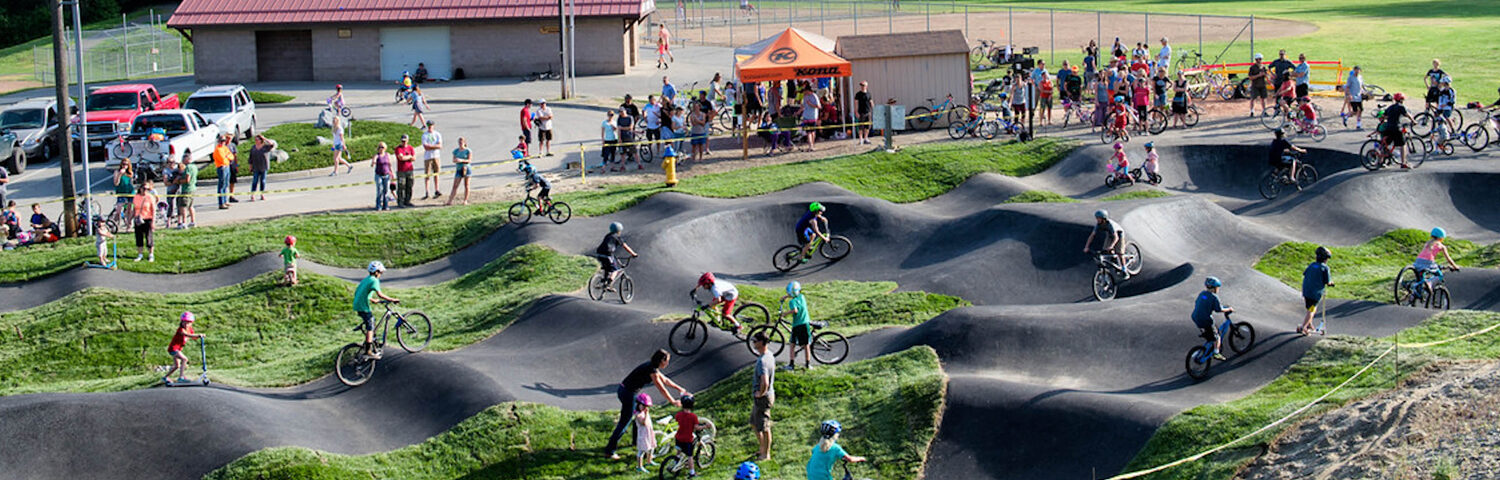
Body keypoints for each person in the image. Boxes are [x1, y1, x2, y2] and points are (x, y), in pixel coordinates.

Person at [605, 349, 689, 459]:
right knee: (624, 423)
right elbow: (661, 388)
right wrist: (672, 401)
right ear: (661, 360)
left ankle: (636, 441)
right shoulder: (651, 370)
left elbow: (665, 380)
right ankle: (610, 451)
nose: (668, 363)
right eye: (667, 361)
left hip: (625, 390)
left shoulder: (652, 367)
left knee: (639, 414)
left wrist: (680, 389)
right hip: (628, 394)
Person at [353, 261, 399, 359]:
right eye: (380, 272)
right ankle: (368, 351)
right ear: (376, 272)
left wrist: (372, 300)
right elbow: (380, 294)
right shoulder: (374, 280)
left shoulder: (366, 279)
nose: (381, 274)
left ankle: (370, 341)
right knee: (370, 326)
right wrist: (392, 299)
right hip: (363, 307)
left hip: (357, 305)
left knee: (371, 321)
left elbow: (359, 292)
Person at [1192, 277, 1233, 361]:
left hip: (1196, 317)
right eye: (1217, 288)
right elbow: (1219, 309)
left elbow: (1198, 302)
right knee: (1217, 337)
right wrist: (1229, 309)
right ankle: (1216, 353)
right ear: (1214, 288)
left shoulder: (1202, 294)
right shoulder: (1214, 297)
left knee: (1212, 330)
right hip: (1206, 320)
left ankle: (1209, 337)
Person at [750, 331, 776, 461]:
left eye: (755, 341)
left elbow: (765, 381)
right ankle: (762, 448)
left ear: (761, 343)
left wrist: (760, 393)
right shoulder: (769, 355)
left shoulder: (762, 361)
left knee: (765, 427)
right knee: (754, 423)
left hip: (763, 398)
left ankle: (766, 454)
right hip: (765, 396)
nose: (753, 343)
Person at [1297, 246, 1333, 335]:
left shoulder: (1312, 265)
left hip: (1306, 291)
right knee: (1312, 310)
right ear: (1325, 259)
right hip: (1315, 293)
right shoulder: (1325, 268)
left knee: (1309, 308)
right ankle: (1303, 327)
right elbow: (1327, 281)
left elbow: (1305, 273)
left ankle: (1309, 325)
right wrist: (1331, 283)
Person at [1412, 227, 1460, 293]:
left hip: (1418, 261)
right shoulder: (1441, 246)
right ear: (1441, 238)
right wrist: (1455, 266)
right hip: (1428, 262)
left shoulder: (1427, 243)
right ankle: (1429, 282)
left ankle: (1413, 295)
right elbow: (1448, 259)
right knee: (1439, 275)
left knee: (1420, 279)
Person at [162, 312, 204, 384]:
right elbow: (187, 335)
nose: (186, 324)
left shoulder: (189, 329)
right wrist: (198, 335)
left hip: (178, 349)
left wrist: (200, 337)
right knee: (184, 359)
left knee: (177, 366)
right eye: (184, 322)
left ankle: (165, 377)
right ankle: (181, 377)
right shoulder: (181, 330)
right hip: (173, 349)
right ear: (181, 322)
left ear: (191, 323)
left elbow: (193, 337)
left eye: (188, 323)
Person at [779, 281, 813, 371]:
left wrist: (785, 314)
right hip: (805, 322)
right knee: (806, 345)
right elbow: (795, 296)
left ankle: (791, 364)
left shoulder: (792, 302)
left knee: (792, 344)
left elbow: (795, 310)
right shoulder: (802, 297)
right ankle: (808, 364)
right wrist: (786, 296)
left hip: (797, 324)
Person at [672, 394, 708, 477]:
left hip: (678, 437)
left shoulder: (678, 414)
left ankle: (675, 462)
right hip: (687, 439)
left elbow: (677, 420)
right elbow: (697, 427)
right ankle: (692, 472)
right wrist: (705, 426)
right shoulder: (693, 416)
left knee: (679, 451)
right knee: (690, 456)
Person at [1083, 209, 1128, 275]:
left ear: (1103, 218)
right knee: (1105, 250)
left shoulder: (1110, 225)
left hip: (1119, 235)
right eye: (1096, 218)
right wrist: (1086, 247)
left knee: (1120, 253)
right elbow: (1092, 236)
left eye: (1098, 218)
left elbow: (1116, 238)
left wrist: (1111, 246)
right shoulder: (1098, 225)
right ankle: (1114, 259)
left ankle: (1124, 269)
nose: (1097, 220)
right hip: (1110, 235)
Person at [1378, 93, 1415, 168]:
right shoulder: (1401, 107)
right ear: (1401, 100)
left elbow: (1384, 116)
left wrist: (1388, 118)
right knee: (1402, 144)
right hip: (1397, 128)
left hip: (1388, 128)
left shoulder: (1390, 107)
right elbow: (1407, 114)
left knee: (1386, 144)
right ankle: (1403, 163)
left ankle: (1381, 162)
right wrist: (1413, 121)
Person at [596, 221, 638, 289]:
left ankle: (604, 281)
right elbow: (625, 246)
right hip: (607, 254)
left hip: (599, 254)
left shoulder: (608, 235)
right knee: (615, 270)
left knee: (607, 268)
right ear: (619, 230)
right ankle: (608, 285)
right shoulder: (617, 237)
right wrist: (633, 254)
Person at [132, 179, 157, 262]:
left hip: (148, 219)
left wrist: (153, 222)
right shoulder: (136, 197)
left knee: (149, 237)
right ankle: (140, 254)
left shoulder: (150, 197)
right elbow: (134, 208)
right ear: (141, 188)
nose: (146, 190)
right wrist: (130, 219)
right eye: (145, 188)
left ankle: (151, 254)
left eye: (148, 189)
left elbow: (153, 210)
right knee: (139, 237)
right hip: (138, 219)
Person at [633, 392, 657, 473]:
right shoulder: (638, 414)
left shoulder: (643, 412)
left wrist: (646, 413)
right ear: (638, 404)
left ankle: (649, 460)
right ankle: (639, 466)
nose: (644, 408)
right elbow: (644, 423)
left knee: (651, 447)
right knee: (642, 451)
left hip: (649, 433)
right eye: (643, 406)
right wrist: (646, 414)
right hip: (643, 436)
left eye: (646, 406)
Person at [248, 134, 276, 201]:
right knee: (255, 181)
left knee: (263, 181)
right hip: (256, 167)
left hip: (264, 166)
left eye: (257, 140)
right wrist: (250, 166)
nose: (256, 141)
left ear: (261, 140)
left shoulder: (265, 147)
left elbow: (272, 145)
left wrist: (265, 138)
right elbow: (250, 157)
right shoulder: (253, 148)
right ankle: (252, 195)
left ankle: (262, 194)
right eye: (255, 140)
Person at [444, 137, 471, 205]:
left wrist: (461, 160)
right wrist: (456, 160)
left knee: (466, 185)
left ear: (464, 143)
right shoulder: (456, 151)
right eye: (459, 142)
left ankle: (465, 200)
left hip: (466, 168)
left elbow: (469, 160)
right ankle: (450, 201)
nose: (460, 144)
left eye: (461, 142)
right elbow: (453, 160)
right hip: (459, 169)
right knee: (455, 185)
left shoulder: (468, 151)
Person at [420, 120, 443, 199]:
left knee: (436, 173)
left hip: (436, 156)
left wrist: (431, 146)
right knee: (427, 174)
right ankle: (427, 191)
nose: (430, 127)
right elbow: (426, 147)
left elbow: (440, 146)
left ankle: (437, 189)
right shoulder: (425, 135)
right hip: (428, 157)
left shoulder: (437, 134)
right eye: (429, 125)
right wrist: (434, 146)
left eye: (431, 125)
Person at [1433, 76, 1457, 148]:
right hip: (1442, 106)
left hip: (1448, 107)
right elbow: (1440, 99)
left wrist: (1446, 104)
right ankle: (1441, 128)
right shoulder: (1442, 90)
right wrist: (1439, 107)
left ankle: (1453, 130)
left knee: (1446, 116)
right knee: (1436, 115)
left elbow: (1452, 101)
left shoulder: (1451, 91)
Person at [212, 134, 234, 209]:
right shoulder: (218, 149)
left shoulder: (225, 148)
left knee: (226, 184)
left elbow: (231, 156)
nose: (222, 142)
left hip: (227, 166)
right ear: (218, 141)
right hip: (222, 167)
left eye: (224, 141)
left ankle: (225, 201)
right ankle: (221, 203)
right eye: (221, 141)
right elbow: (222, 159)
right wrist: (227, 157)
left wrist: (227, 157)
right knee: (221, 185)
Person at [394, 135, 417, 207]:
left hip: (409, 170)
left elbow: (414, 158)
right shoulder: (398, 148)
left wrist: (408, 157)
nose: (403, 142)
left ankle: (407, 201)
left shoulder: (410, 148)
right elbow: (401, 158)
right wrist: (409, 156)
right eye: (402, 141)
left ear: (408, 140)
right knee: (401, 186)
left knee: (409, 185)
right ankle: (400, 202)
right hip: (401, 171)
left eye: (405, 141)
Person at [176, 157, 198, 228]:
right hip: (193, 188)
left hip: (187, 189)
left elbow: (187, 179)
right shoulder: (194, 166)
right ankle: (192, 221)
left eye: (183, 159)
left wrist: (179, 181)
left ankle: (184, 223)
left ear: (187, 159)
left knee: (183, 206)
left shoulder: (188, 167)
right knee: (190, 206)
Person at [370, 142, 393, 211]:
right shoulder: (377, 155)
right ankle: (378, 205)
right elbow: (372, 163)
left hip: (386, 174)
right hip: (379, 175)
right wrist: (373, 162)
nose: (381, 149)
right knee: (379, 190)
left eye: (382, 147)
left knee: (386, 190)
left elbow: (390, 164)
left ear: (385, 148)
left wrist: (392, 173)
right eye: (380, 147)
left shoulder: (387, 155)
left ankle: (386, 205)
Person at [1345, 66, 1366, 130]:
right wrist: (1349, 95)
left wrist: (1364, 92)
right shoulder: (1350, 78)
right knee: (1355, 111)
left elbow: (1361, 86)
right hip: (1353, 96)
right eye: (1356, 70)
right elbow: (1347, 87)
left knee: (1361, 109)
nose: (1357, 71)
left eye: (1358, 70)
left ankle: (1358, 123)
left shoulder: (1360, 77)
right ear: (1354, 70)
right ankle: (1346, 116)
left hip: (1359, 96)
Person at [801, 86, 820, 151]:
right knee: (808, 132)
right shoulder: (805, 97)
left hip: (813, 116)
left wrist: (810, 104)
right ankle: (810, 145)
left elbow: (818, 106)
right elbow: (803, 106)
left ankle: (812, 145)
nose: (804, 92)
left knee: (812, 132)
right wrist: (798, 112)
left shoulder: (814, 96)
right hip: (806, 116)